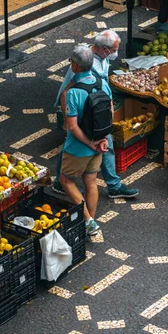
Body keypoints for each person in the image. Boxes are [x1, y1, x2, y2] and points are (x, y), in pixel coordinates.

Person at [52, 31, 139, 199]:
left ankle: (111, 185)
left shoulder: (101, 58)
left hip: (97, 112)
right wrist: (66, 119)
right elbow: (65, 94)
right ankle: (62, 182)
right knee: (74, 145)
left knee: (98, 145)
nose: (116, 53)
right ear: (104, 48)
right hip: (83, 111)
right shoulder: (83, 61)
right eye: (114, 49)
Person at [59, 45, 111, 236]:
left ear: (75, 65)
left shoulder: (74, 92)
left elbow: (72, 126)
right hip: (99, 144)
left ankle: (88, 221)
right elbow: (109, 112)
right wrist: (101, 139)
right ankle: (90, 222)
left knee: (65, 180)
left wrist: (89, 143)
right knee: (91, 181)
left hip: (78, 148)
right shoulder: (102, 83)